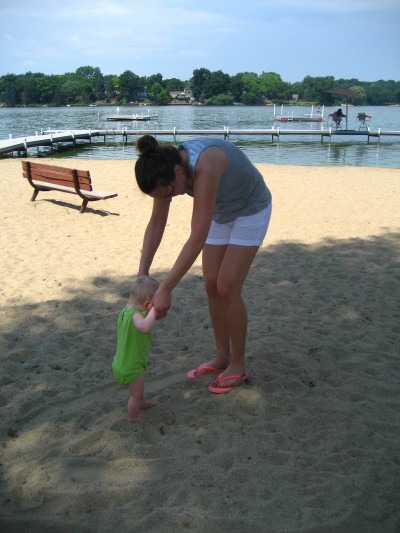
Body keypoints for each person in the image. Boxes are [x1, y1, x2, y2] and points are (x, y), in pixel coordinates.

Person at [135, 135, 272, 394]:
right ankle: (222, 357)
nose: (169, 198)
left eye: (167, 193)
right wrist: (143, 273)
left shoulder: (206, 165)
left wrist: (165, 289)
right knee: (211, 284)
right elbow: (156, 224)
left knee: (227, 286)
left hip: (250, 209)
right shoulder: (165, 170)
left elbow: (197, 237)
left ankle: (238, 364)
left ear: (178, 171)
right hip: (221, 211)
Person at [112, 276, 159, 422]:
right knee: (135, 395)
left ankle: (141, 402)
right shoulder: (137, 317)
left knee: (139, 387)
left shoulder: (127, 309)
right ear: (147, 305)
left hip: (121, 362)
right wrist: (154, 312)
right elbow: (144, 327)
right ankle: (133, 416)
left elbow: (135, 299)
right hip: (131, 366)